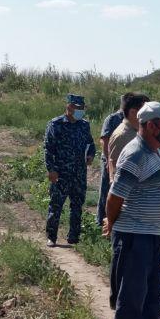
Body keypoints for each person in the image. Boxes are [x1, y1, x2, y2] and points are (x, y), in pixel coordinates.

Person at [103, 100, 160, 319]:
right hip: (135, 235)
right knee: (132, 294)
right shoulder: (136, 153)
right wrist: (111, 222)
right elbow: (115, 196)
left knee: (153, 292)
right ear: (151, 126)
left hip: (151, 234)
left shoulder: (152, 150)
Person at [43, 93, 96, 246]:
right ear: (69, 106)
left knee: (77, 205)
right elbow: (48, 149)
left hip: (79, 172)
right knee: (56, 204)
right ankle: (51, 237)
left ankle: (74, 238)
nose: (81, 111)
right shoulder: (56, 124)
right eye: (78, 107)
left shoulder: (84, 125)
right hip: (61, 172)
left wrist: (91, 155)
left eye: (82, 108)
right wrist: (51, 170)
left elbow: (90, 144)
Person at [97, 93, 147, 228]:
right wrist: (108, 162)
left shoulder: (137, 130)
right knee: (106, 194)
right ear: (132, 111)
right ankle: (103, 222)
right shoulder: (120, 130)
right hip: (112, 166)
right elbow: (105, 141)